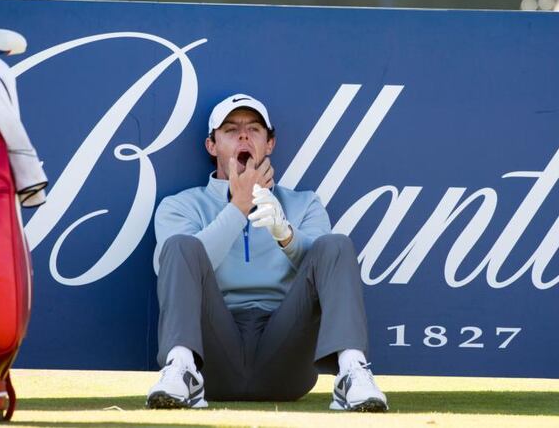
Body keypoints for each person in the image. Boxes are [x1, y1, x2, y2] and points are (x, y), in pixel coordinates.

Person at [146, 93, 388, 412]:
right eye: (231, 129)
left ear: (269, 144)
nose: (243, 135)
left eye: (254, 129)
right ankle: (180, 371)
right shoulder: (180, 205)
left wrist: (285, 233)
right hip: (212, 357)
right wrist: (238, 207)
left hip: (286, 357)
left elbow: (326, 268)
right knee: (180, 244)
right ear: (212, 146)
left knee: (335, 244)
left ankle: (352, 373)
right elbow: (174, 269)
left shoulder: (305, 203)